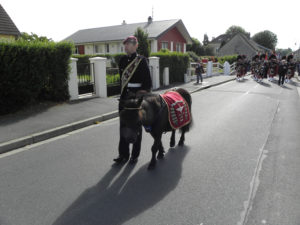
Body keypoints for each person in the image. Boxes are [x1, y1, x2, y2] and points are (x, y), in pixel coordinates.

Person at [114, 36, 152, 164]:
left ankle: (134, 155)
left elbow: (148, 83)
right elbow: (122, 82)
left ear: (136, 45)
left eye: (128, 44)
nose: (126, 46)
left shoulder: (141, 61)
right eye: (125, 44)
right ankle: (123, 154)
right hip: (125, 99)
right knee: (123, 127)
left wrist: (139, 95)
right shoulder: (122, 60)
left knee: (136, 127)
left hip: (136, 100)